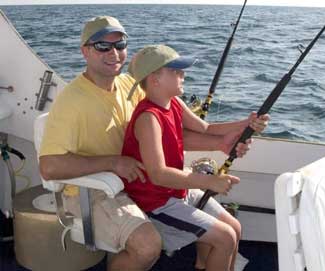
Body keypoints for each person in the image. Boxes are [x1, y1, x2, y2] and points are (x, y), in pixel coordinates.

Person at [39, 16, 269, 271]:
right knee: (148, 245)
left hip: (140, 178)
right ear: (85, 51)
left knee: (233, 228)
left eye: (120, 44)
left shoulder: (130, 85)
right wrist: (113, 162)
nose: (114, 53)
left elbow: (163, 137)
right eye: (103, 46)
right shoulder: (70, 101)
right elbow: (49, 167)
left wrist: (222, 142)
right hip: (91, 190)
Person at [121, 44, 269, 271]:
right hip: (156, 202)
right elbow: (158, 174)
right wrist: (208, 181)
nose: (183, 75)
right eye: (176, 71)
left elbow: (206, 128)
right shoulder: (148, 118)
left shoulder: (174, 104)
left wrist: (246, 124)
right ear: (154, 79)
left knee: (235, 227)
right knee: (225, 238)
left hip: (177, 191)